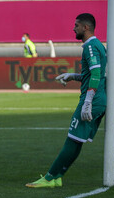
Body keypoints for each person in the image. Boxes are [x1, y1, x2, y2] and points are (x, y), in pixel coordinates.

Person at [26, 13, 107, 188]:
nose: (74, 28)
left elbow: (96, 75)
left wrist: (88, 101)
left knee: (71, 140)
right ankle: (58, 176)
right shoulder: (97, 45)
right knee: (77, 140)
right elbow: (93, 74)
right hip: (98, 98)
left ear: (85, 28)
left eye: (77, 25)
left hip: (93, 98)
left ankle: (48, 178)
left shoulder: (91, 47)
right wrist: (73, 76)